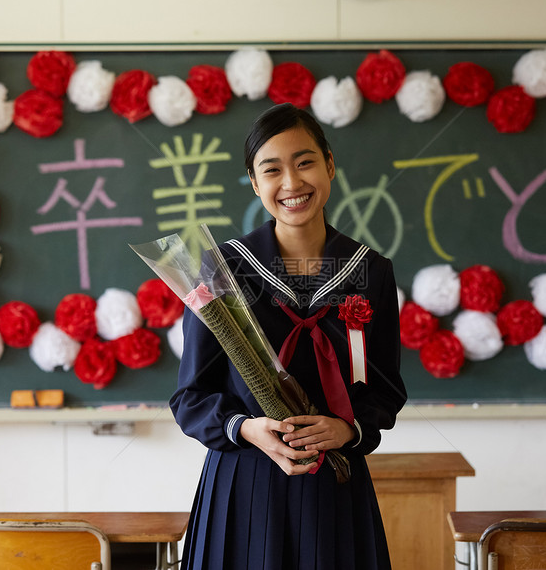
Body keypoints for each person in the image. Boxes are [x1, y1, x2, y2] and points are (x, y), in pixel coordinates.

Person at [169, 103, 407, 570]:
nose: (292, 184)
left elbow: (385, 389)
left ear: (330, 165)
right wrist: (248, 428)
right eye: (272, 170)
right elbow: (190, 397)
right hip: (244, 483)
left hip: (334, 487)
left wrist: (347, 428)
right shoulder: (225, 270)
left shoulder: (371, 272)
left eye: (305, 162)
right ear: (256, 185)